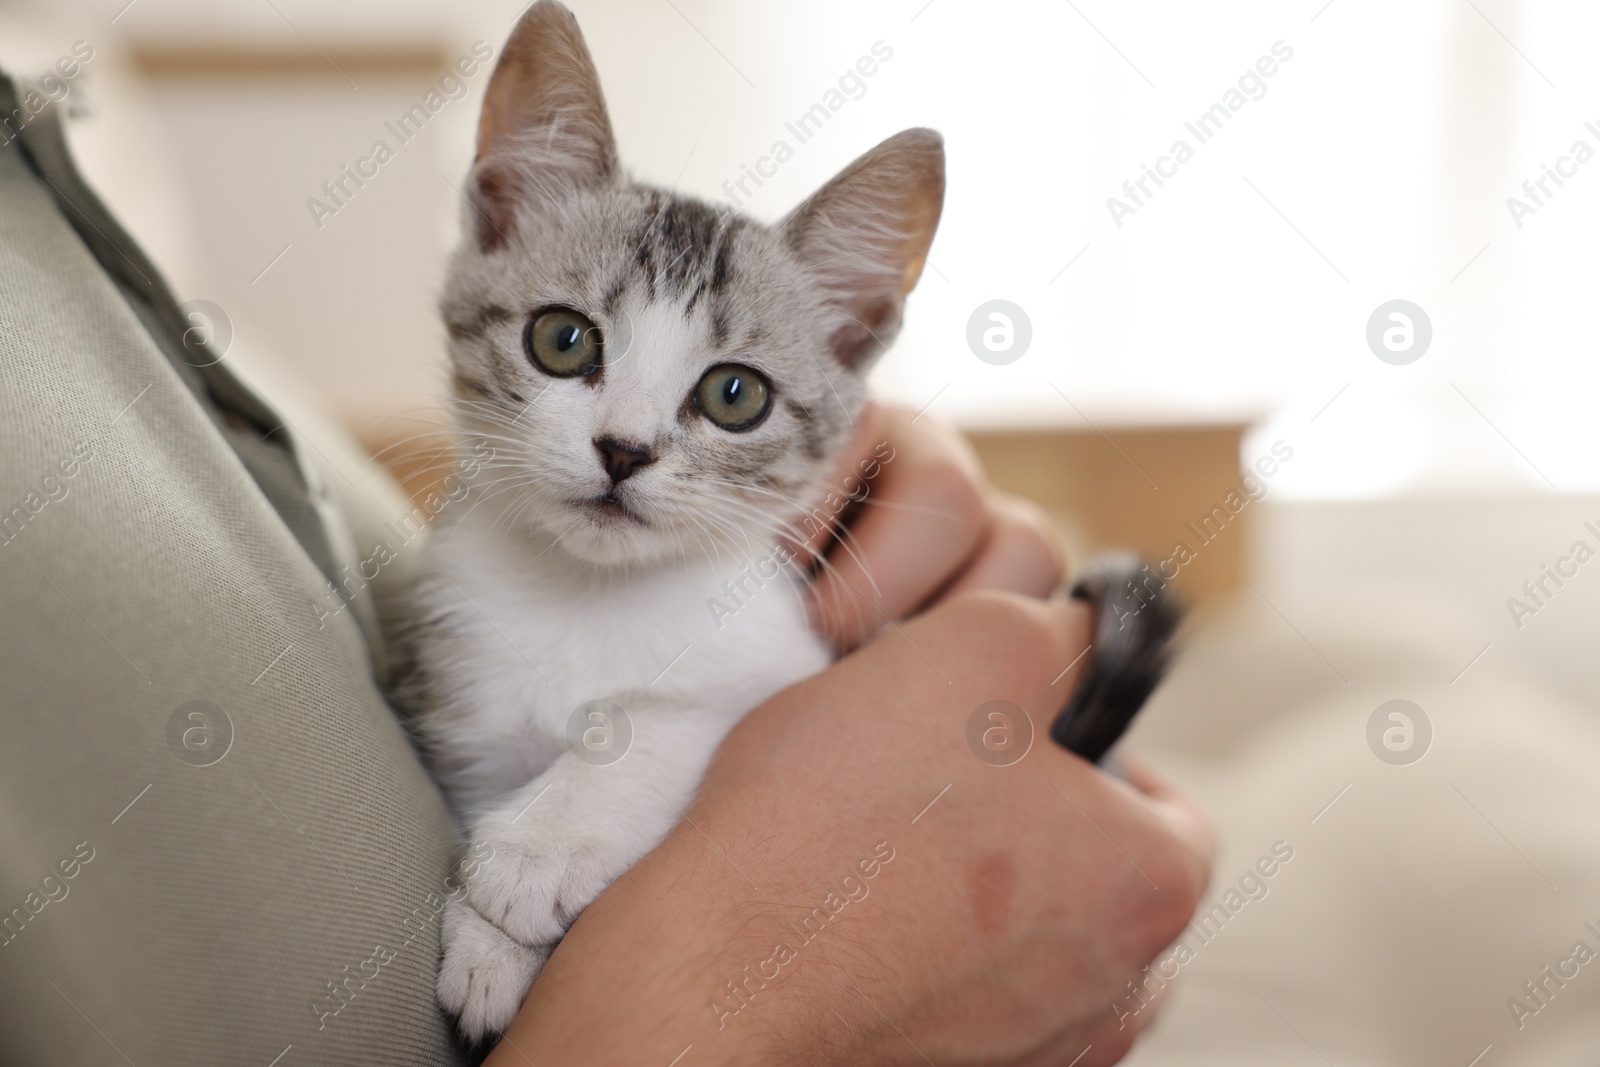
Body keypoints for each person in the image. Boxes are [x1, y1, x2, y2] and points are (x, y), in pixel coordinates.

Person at [0, 74, 1211, 1066]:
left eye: (727, 394)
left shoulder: (751, 623)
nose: (627, 438)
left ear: (848, 345)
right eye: (566, 339)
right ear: (500, 223)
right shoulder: (463, 589)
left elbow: (786, 739)